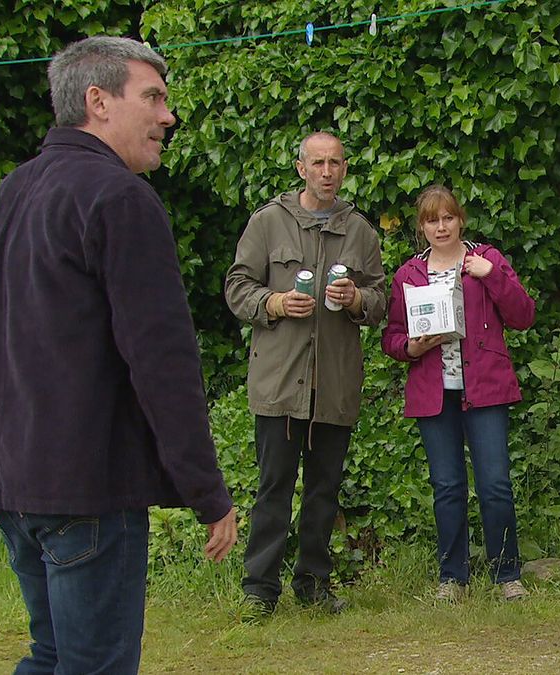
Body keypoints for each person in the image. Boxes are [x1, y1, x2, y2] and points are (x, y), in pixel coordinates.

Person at [0, 36, 237, 673]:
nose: (168, 116)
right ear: (98, 101)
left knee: (52, 657)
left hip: (13, 484)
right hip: (85, 489)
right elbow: (162, 361)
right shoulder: (118, 199)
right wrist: (207, 491)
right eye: (153, 97)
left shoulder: (13, 192)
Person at [225, 131, 386, 617]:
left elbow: (381, 300)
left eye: (335, 163)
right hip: (279, 384)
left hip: (334, 385)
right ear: (301, 169)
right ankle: (260, 590)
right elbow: (236, 288)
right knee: (273, 488)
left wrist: (358, 300)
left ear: (344, 168)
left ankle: (314, 585)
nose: (327, 172)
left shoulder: (361, 231)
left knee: (323, 491)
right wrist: (273, 303)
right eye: (318, 163)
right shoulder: (267, 223)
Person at [381, 185, 535, 602]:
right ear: (422, 227)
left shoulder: (487, 261)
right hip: (435, 393)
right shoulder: (408, 275)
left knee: (495, 484)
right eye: (432, 220)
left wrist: (492, 275)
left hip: (484, 389)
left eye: (448, 217)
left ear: (460, 219)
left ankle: (507, 576)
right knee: (447, 486)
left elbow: (523, 316)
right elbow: (392, 337)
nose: (441, 226)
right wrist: (409, 348)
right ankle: (453, 578)